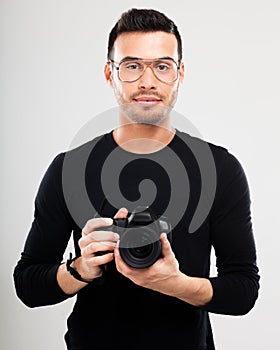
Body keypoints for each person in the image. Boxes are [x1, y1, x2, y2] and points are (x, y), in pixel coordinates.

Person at [13, 8, 260, 350]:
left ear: (180, 74)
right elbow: (27, 285)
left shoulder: (219, 168)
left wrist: (175, 284)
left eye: (162, 66)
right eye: (131, 66)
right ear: (109, 74)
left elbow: (244, 290)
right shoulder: (69, 168)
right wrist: (81, 268)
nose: (148, 81)